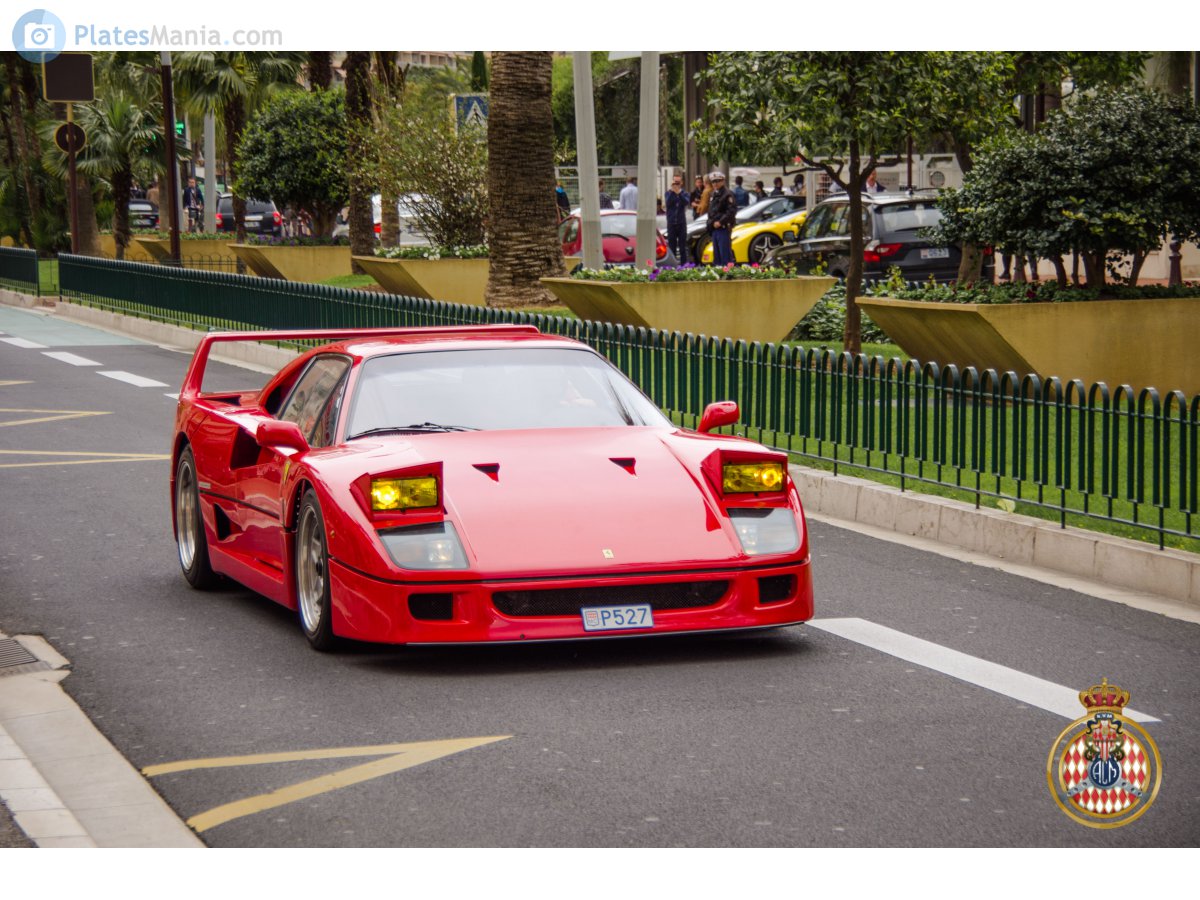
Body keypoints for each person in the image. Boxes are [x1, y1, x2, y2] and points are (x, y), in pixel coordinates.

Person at [706, 171, 738, 266]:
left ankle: (727, 276)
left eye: (718, 181)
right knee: (717, 256)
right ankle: (719, 275)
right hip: (715, 228)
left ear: (723, 181)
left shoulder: (727, 194)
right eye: (713, 182)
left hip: (723, 227)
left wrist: (720, 222)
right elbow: (712, 211)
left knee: (725, 256)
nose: (715, 184)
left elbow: (731, 211)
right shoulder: (714, 194)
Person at [664, 173, 691, 265]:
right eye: (675, 182)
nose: (676, 184)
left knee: (682, 245)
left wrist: (679, 193)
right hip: (671, 223)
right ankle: (672, 265)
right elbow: (668, 203)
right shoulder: (668, 193)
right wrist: (673, 192)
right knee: (672, 246)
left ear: (682, 183)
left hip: (681, 222)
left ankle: (684, 265)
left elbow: (686, 202)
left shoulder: (685, 193)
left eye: (678, 182)